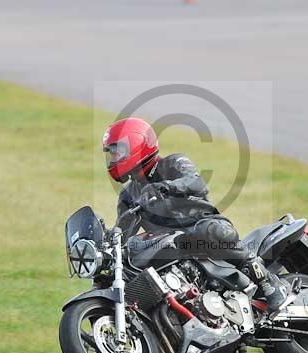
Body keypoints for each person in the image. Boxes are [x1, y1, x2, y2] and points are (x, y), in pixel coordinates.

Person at [102, 116, 288, 312]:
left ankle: (270, 284)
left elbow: (197, 182)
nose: (114, 159)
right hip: (171, 245)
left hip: (202, 224)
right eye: (111, 154)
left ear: (137, 146)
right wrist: (107, 240)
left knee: (213, 231)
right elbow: (122, 231)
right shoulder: (128, 194)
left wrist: (166, 187)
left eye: (118, 152)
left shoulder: (173, 162)